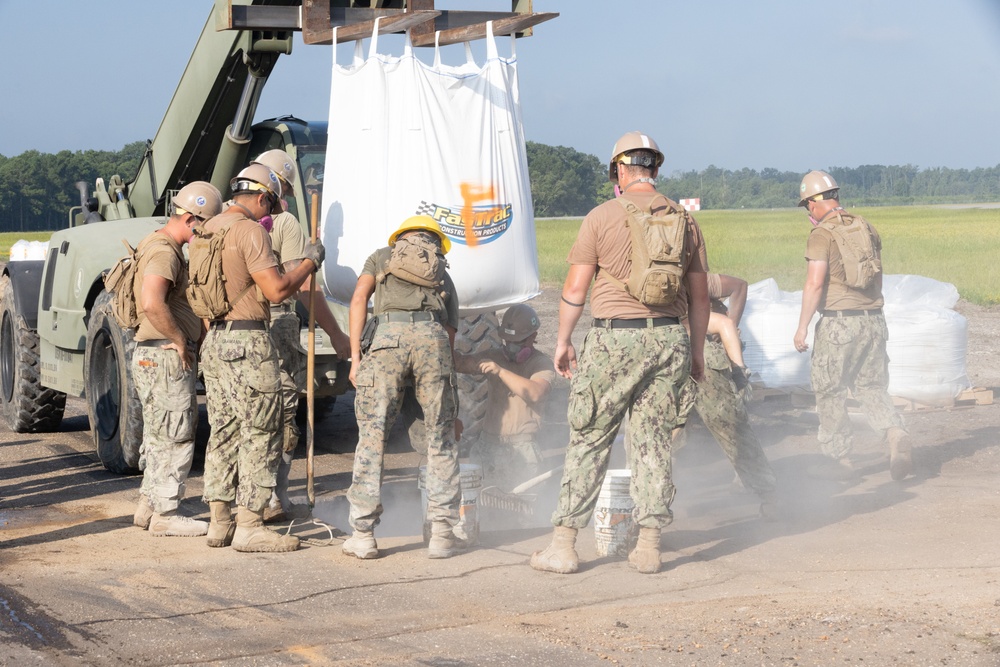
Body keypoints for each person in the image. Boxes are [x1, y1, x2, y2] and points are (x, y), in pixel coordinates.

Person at [530, 131, 709, 576]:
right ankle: (648, 546)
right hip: (669, 339)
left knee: (590, 436)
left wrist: (563, 340)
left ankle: (564, 545)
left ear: (619, 171)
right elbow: (701, 297)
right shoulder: (684, 220)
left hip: (614, 340)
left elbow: (575, 289)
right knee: (652, 442)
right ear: (655, 169)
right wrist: (697, 354)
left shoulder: (601, 216)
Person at [199, 164, 325, 553]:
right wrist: (309, 262)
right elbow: (275, 291)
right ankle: (251, 524)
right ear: (260, 197)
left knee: (223, 432)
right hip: (249, 340)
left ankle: (220, 522)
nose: (268, 209)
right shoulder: (250, 231)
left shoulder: (205, 231)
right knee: (262, 431)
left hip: (215, 342)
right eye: (269, 201)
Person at [345, 215, 462, 560]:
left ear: (401, 238)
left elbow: (357, 301)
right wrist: (442, 374)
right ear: (435, 242)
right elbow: (450, 331)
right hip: (433, 341)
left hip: (387, 341)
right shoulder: (442, 270)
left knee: (372, 436)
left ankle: (363, 535)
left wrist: (355, 358)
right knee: (440, 438)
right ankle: (441, 533)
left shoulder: (381, 257)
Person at [250, 150, 350, 523]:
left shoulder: (230, 217)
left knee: (247, 416)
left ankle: (242, 499)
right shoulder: (285, 222)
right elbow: (304, 285)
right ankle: (274, 497)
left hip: (234, 330)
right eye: (286, 188)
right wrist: (336, 334)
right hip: (276, 325)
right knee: (282, 414)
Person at [792, 170, 910, 481]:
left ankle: (839, 460)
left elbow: (815, 284)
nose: (808, 212)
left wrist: (802, 327)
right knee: (872, 387)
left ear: (815, 203)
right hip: (874, 321)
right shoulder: (866, 227)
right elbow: (879, 276)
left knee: (830, 391)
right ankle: (894, 431)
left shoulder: (822, 235)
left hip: (838, 325)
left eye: (806, 206)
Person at [131, 181, 223, 537]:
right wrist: (179, 340)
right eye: (203, 224)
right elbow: (152, 302)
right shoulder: (165, 252)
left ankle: (149, 505)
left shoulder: (155, 243)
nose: (204, 232)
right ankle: (166, 514)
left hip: (153, 356)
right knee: (177, 434)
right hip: (165, 356)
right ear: (190, 218)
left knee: (157, 433)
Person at [691, 273, 778, 518]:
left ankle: (641, 509)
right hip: (701, 350)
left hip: (688, 349)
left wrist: (738, 368)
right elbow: (735, 298)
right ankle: (769, 495)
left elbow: (726, 321)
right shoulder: (692, 278)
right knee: (730, 425)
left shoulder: (692, 280)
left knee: (653, 433)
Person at [454, 304, 555, 492]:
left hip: (521, 449)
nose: (510, 347)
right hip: (487, 446)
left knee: (521, 506)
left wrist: (500, 371)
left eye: (516, 341)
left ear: (532, 337)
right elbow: (460, 363)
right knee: (482, 504)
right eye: (507, 341)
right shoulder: (495, 357)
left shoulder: (541, 364)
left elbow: (535, 393)